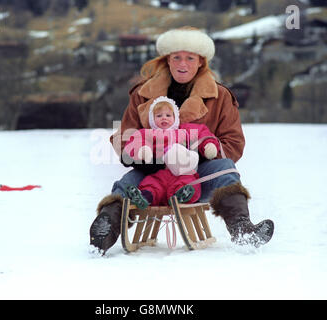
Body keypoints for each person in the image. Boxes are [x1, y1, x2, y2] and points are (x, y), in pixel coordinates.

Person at [89, 26, 274, 253]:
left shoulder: (220, 96)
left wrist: (195, 156)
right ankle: (103, 234)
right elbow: (124, 135)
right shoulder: (142, 93)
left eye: (189, 58)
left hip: (196, 176)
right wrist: (139, 157)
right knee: (127, 183)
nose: (182, 64)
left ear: (200, 62)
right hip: (152, 174)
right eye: (176, 57)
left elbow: (233, 143)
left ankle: (244, 231)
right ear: (167, 60)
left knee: (226, 169)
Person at [123, 96, 220, 209]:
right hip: (159, 172)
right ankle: (144, 197)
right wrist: (143, 150)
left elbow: (202, 133)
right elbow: (135, 141)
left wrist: (208, 144)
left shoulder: (184, 131)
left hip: (183, 171)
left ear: (175, 118)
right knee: (151, 184)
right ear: (152, 119)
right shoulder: (148, 133)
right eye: (159, 116)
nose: (164, 118)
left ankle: (181, 196)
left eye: (168, 115)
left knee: (190, 182)